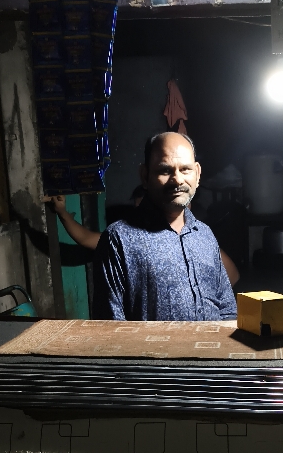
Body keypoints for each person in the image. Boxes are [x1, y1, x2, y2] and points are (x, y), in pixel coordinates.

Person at [92, 131, 237, 321]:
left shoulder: (204, 234)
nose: (177, 180)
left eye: (185, 169)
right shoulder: (119, 239)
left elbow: (227, 309)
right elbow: (111, 325)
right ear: (145, 176)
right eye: (165, 170)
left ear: (197, 173)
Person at [44, 151, 240, 287]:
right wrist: (62, 212)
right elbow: (86, 238)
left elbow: (232, 277)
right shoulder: (127, 238)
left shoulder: (197, 239)